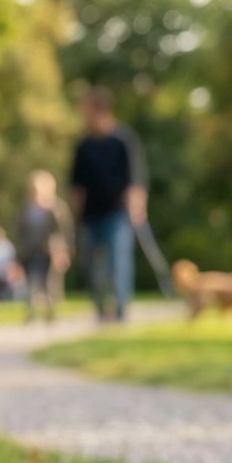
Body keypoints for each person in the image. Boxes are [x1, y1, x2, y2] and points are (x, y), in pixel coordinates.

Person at [69, 87, 147, 321]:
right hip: (91, 215)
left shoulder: (123, 140)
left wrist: (137, 207)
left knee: (117, 263)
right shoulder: (83, 146)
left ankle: (121, 308)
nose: (83, 114)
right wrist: (75, 218)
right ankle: (101, 310)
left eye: (86, 109)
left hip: (118, 213)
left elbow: (135, 179)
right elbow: (77, 186)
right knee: (92, 266)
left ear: (100, 109)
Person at [14, 170, 71, 323]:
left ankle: (51, 311)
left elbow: (62, 233)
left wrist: (62, 252)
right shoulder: (25, 210)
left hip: (49, 251)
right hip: (30, 252)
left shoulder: (56, 209)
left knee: (50, 282)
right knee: (31, 282)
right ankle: (31, 311)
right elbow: (20, 233)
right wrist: (17, 257)